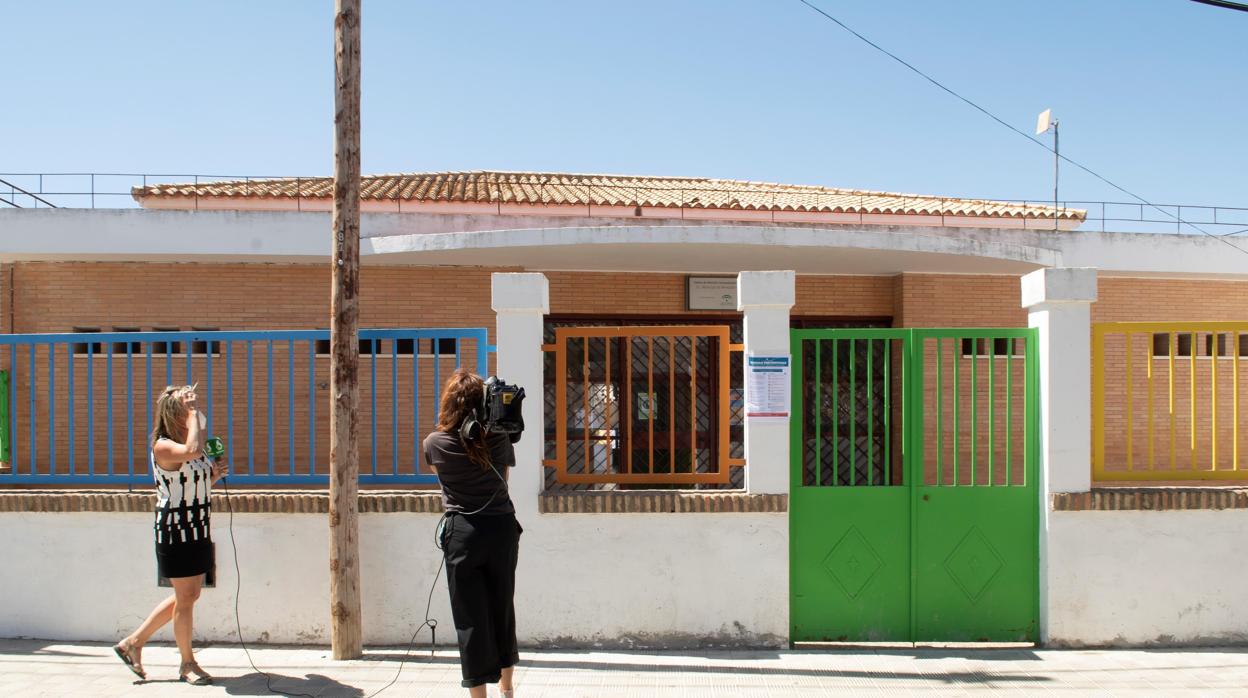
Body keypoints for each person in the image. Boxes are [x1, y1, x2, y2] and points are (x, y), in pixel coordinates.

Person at [113, 384, 226, 685]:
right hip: (176, 530)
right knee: (186, 597)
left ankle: (133, 643)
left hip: (197, 525)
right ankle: (187, 664)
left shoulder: (189, 444)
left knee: (189, 595)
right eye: (185, 407)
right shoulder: (163, 446)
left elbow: (187, 480)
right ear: (173, 414)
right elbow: (191, 450)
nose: (193, 411)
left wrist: (210, 478)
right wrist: (193, 415)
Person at [424, 369, 523, 698]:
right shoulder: (499, 438)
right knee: (501, 608)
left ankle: (479, 696)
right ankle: (507, 689)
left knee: (470, 619)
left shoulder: (434, 444)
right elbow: (502, 481)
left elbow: (444, 478)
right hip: (501, 529)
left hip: (462, 533)